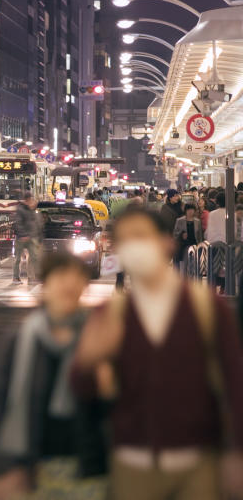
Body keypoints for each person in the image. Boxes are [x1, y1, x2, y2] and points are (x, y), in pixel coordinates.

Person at [72, 207, 243, 500]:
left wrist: (237, 453)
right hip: (130, 462)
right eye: (126, 241)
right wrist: (86, 361)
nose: (135, 248)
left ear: (167, 243)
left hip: (199, 462)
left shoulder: (205, 307)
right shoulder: (109, 314)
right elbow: (84, 390)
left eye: (142, 237)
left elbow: (234, 383)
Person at [0, 252, 108, 500]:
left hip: (88, 465)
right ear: (46, 284)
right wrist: (4, 468)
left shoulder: (97, 336)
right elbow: (2, 401)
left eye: (78, 279)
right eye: (61, 276)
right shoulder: (22, 336)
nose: (69, 284)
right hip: (33, 466)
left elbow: (110, 402)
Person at [13, 193, 41, 285]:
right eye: (30, 200)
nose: (31, 202)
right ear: (26, 200)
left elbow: (35, 223)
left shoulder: (31, 210)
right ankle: (16, 277)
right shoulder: (20, 209)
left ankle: (31, 277)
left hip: (31, 237)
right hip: (21, 238)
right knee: (18, 259)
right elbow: (18, 223)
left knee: (33, 257)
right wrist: (23, 235)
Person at [173, 204, 202, 269]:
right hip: (184, 245)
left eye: (192, 210)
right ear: (185, 211)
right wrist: (181, 235)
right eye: (188, 210)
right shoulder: (179, 220)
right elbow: (175, 234)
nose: (190, 211)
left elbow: (200, 235)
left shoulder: (198, 221)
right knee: (184, 263)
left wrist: (200, 245)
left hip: (195, 244)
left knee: (194, 264)